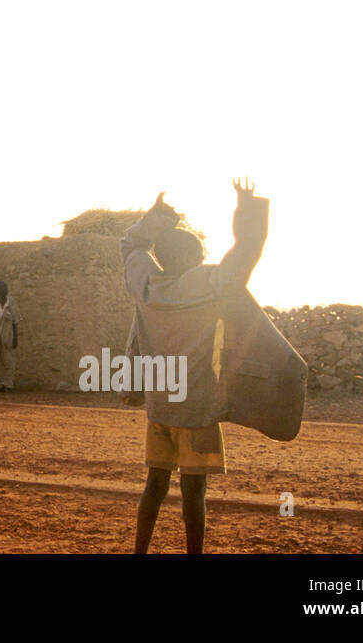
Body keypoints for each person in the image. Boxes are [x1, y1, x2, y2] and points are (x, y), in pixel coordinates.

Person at [120, 179, 268, 553]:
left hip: (160, 409)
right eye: (200, 252)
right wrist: (246, 209)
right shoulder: (208, 285)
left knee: (154, 485)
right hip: (198, 410)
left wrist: (155, 219)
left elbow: (131, 245)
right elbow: (247, 250)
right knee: (194, 492)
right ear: (192, 259)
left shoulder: (147, 285)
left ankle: (139, 551)